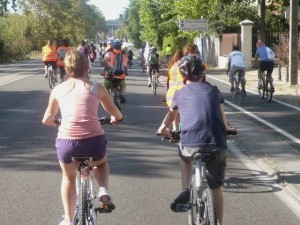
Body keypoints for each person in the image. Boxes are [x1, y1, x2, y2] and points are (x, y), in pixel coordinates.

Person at [42, 49, 123, 225]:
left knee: (69, 177)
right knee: (100, 163)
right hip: (94, 142)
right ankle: (103, 189)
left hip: (67, 144)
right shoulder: (96, 87)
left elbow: (46, 119)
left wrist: (57, 122)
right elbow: (114, 111)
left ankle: (69, 220)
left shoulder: (59, 89)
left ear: (66, 68)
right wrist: (117, 118)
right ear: (87, 67)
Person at [157, 55, 231, 225]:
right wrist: (226, 130)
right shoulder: (214, 90)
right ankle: (218, 222)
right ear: (203, 73)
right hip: (216, 142)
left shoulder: (179, 94)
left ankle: (185, 189)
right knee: (216, 188)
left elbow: (171, 114)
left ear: (183, 77)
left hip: (190, 142)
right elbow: (221, 115)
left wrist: (162, 129)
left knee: (184, 154)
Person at [166, 44, 200, 131]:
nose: (198, 54)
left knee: (175, 110)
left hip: (171, 96)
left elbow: (168, 81)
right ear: (189, 52)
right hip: (185, 94)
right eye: (196, 52)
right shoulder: (190, 64)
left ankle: (174, 129)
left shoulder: (174, 64)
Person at [103, 39, 128, 103]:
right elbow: (125, 65)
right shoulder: (123, 54)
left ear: (112, 46)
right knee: (123, 85)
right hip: (120, 75)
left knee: (106, 87)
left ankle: (107, 96)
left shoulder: (108, 53)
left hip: (110, 75)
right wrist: (125, 72)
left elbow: (105, 61)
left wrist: (108, 67)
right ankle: (122, 93)